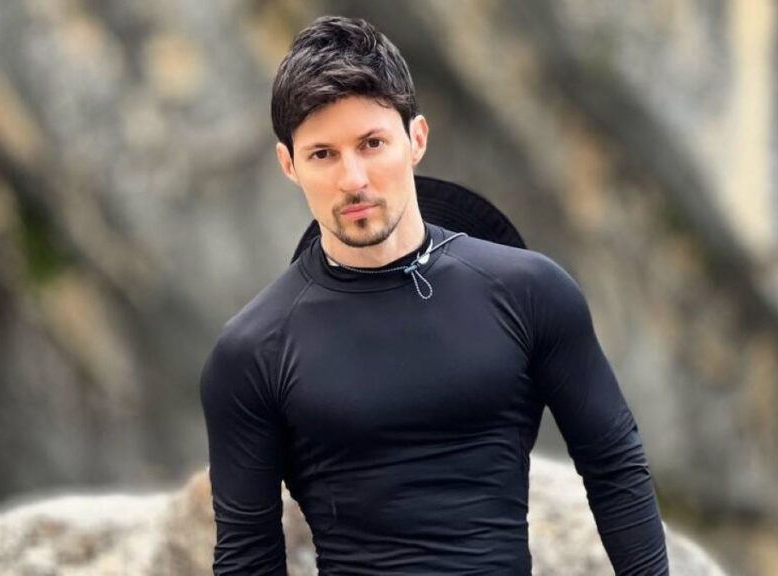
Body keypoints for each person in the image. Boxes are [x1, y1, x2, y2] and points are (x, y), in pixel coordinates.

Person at [200, 15, 669, 575]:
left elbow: (614, 467)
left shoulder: (530, 292)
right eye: (323, 154)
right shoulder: (253, 351)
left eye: (372, 143)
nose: (353, 179)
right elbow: (248, 559)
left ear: (416, 139)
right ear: (289, 165)